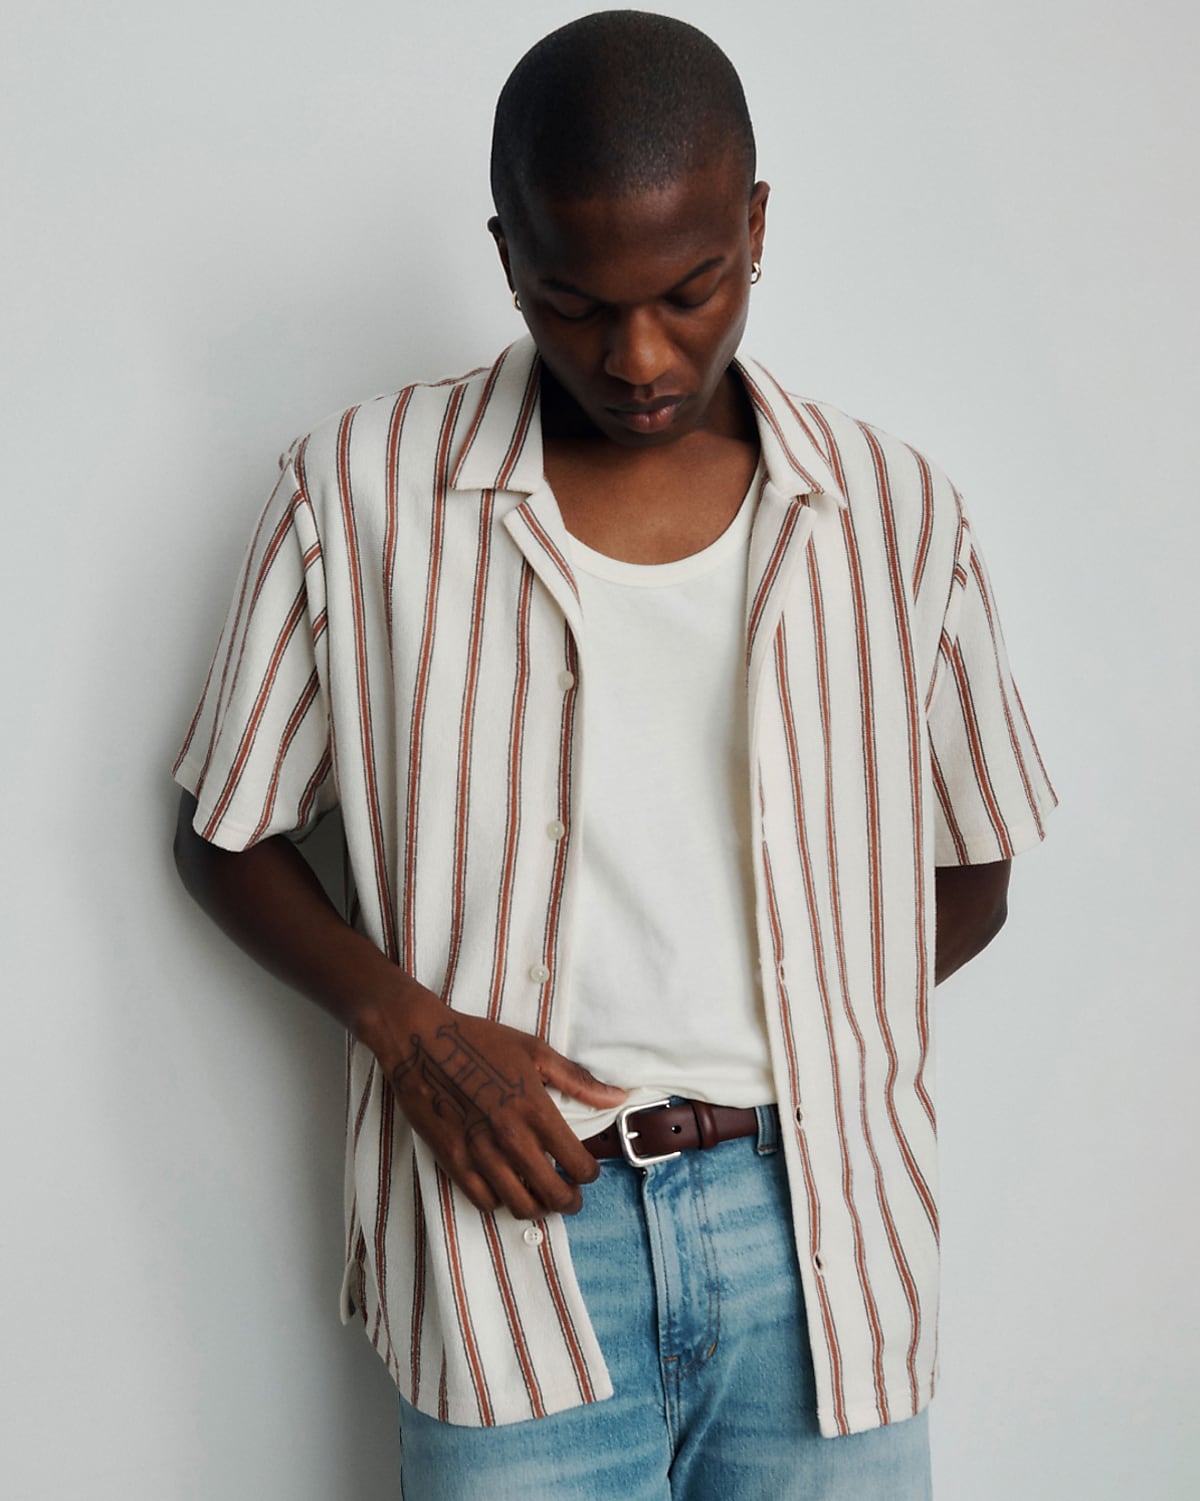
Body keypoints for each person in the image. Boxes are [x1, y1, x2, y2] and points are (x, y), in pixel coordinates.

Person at [172, 11, 1055, 1499]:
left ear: (755, 229)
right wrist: (411, 1031)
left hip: (822, 1241)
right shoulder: (358, 494)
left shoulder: (897, 515)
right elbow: (225, 834)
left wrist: (818, 1042)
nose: (637, 356)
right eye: (574, 303)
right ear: (508, 255)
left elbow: (975, 871)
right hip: (512, 1233)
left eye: (691, 292)